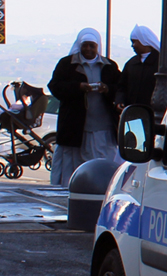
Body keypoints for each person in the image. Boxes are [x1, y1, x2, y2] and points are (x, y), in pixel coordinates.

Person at [48, 27, 122, 187]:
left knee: (101, 163)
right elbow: (55, 86)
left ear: (98, 47)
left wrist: (106, 89)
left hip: (102, 128)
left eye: (92, 46)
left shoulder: (109, 66)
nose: (88, 49)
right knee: (72, 166)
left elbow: (121, 88)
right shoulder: (67, 64)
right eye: (85, 45)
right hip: (74, 128)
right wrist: (78, 87)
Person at [116, 24, 161, 111]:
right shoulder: (131, 63)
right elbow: (121, 86)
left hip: (152, 113)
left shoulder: (159, 63)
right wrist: (120, 101)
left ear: (143, 41)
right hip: (132, 112)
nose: (132, 45)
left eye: (134, 42)